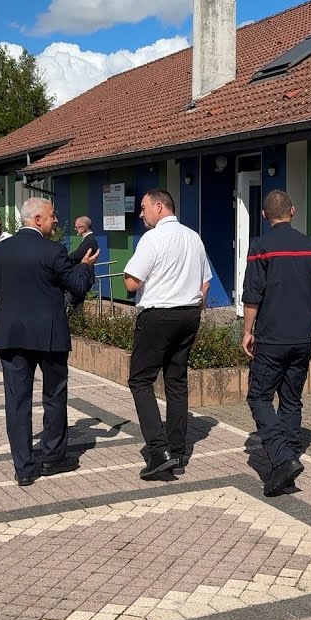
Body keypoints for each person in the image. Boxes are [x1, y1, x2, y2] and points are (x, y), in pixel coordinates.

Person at [0, 197, 97, 487]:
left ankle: (23, 468)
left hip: (12, 335)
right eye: (52, 217)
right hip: (49, 335)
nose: (56, 221)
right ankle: (52, 459)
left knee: (17, 401)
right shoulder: (53, 251)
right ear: (37, 219)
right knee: (54, 396)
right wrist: (85, 268)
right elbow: (75, 286)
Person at [241, 190, 311, 496]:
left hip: (272, 339)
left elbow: (252, 296)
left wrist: (247, 332)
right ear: (292, 211)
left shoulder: (260, 248)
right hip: (302, 339)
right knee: (291, 400)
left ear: (265, 216)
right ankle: (289, 458)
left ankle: (282, 459)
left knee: (259, 397)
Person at [122, 189, 212, 480]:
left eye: (144, 207)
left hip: (159, 315)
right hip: (188, 314)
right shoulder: (193, 237)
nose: (141, 213)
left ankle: (158, 451)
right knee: (176, 381)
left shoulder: (153, 238)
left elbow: (132, 282)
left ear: (159, 207)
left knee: (140, 380)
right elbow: (206, 281)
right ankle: (178, 451)